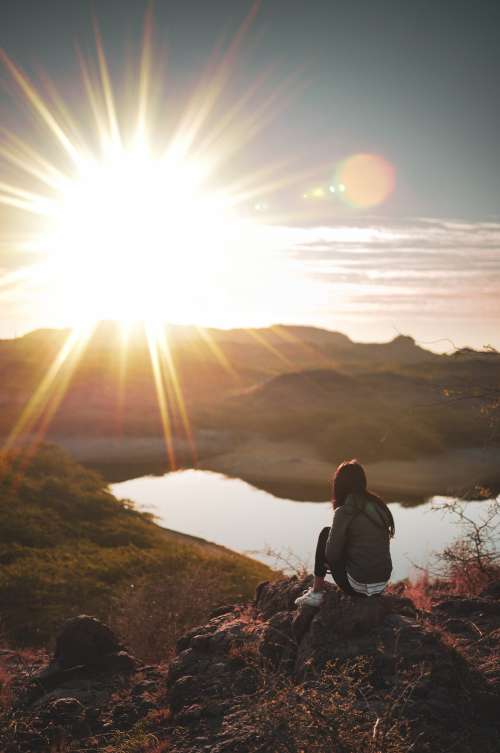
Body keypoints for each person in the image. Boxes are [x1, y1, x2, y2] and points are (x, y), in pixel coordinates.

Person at [295, 459, 395, 608]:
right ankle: (317, 592)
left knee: (325, 534)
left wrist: (333, 556)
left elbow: (332, 554)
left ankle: (316, 593)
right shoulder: (378, 507)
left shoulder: (344, 511)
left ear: (339, 484)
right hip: (381, 584)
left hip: (357, 585)